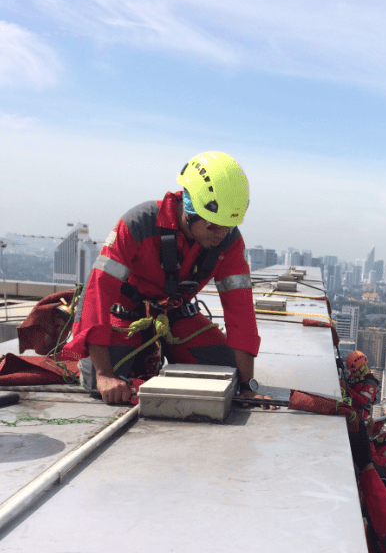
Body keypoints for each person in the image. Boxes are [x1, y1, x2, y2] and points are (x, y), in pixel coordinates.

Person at [67, 152, 263, 404]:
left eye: (227, 226)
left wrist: (247, 386)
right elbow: (98, 292)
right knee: (97, 385)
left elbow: (241, 313)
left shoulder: (229, 242)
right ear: (190, 208)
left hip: (174, 314)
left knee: (228, 374)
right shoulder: (139, 224)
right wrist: (104, 374)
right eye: (213, 225)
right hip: (124, 312)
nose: (221, 235)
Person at [341, 351, 380, 422]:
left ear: (361, 368)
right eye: (352, 371)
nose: (352, 373)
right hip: (350, 413)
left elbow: (362, 402)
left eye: (354, 371)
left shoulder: (369, 384)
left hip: (359, 419)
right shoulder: (355, 377)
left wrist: (347, 389)